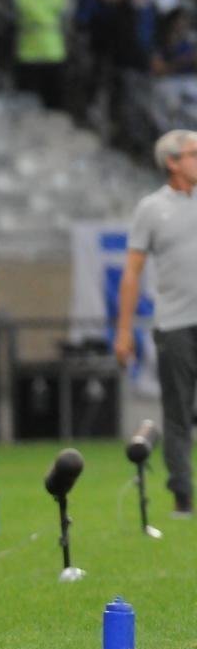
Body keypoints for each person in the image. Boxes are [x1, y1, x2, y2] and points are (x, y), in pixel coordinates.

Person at [115, 129, 197, 517]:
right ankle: (183, 495)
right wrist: (123, 330)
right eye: (194, 153)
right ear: (172, 162)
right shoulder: (151, 209)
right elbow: (131, 273)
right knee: (179, 412)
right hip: (175, 324)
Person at [13, 0, 69, 112]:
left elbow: (65, 21)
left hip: (53, 55)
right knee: (27, 105)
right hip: (29, 56)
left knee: (54, 106)